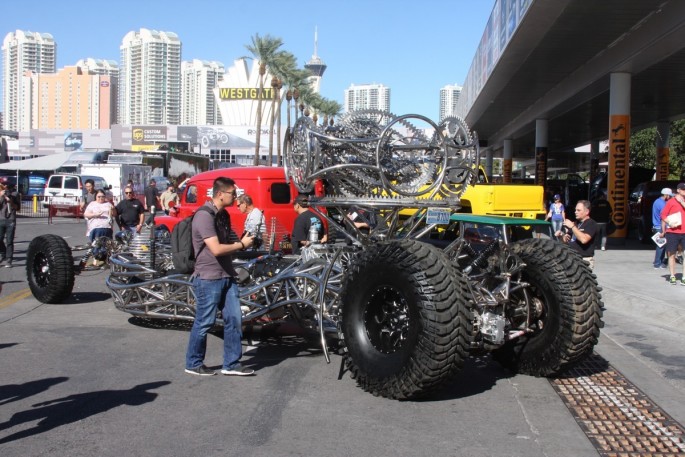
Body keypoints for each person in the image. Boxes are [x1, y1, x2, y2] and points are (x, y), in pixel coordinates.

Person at [185, 177, 255, 377]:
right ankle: (193, 362)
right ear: (219, 194)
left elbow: (230, 241)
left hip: (226, 275)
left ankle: (231, 364)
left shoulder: (222, 215)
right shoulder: (204, 216)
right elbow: (216, 249)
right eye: (232, 193)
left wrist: (246, 242)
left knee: (234, 319)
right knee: (205, 321)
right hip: (208, 277)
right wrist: (242, 245)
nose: (235, 197)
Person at [556, 199, 597, 270]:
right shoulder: (575, 223)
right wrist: (561, 236)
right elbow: (566, 241)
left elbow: (584, 240)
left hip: (584, 260)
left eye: (578, 210)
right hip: (571, 259)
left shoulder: (591, 223)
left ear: (587, 211)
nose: (575, 212)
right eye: (575, 210)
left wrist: (572, 227)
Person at [660, 182, 685, 285]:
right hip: (672, 232)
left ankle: (684, 277)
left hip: (684, 232)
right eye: (683, 189)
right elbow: (663, 215)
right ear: (678, 190)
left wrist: (682, 203)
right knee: (672, 255)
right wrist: (670, 223)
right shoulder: (670, 202)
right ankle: (672, 275)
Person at [83, 190, 114, 267]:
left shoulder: (108, 204)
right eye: (99, 196)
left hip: (107, 227)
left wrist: (112, 210)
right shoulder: (92, 204)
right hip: (96, 228)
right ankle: (95, 260)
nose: (101, 198)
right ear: (95, 197)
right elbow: (86, 214)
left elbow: (112, 213)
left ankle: (106, 260)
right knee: (96, 244)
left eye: (102, 196)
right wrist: (95, 214)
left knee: (107, 245)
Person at [0, 183, 20, 268]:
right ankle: (3, 253)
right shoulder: (0, 193)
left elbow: (18, 208)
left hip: (10, 220)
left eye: (6, 185)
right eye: (3, 185)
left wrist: (11, 201)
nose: (5, 186)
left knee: (9, 241)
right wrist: (1, 196)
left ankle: (9, 260)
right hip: (1, 219)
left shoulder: (15, 194)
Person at [652, 187, 672, 269]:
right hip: (660, 227)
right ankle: (657, 264)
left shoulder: (657, 201)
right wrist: (664, 230)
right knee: (661, 246)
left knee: (661, 245)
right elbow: (663, 217)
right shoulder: (662, 204)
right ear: (666, 195)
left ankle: (659, 262)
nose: (670, 197)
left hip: (657, 226)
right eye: (669, 196)